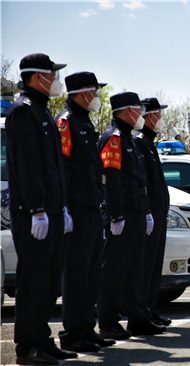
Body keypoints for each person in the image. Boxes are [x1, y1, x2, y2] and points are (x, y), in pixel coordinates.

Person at [6, 53, 76, 365]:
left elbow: (54, 167)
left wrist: (62, 207)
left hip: (52, 210)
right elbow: (26, 166)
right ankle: (26, 346)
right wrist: (36, 208)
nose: (56, 79)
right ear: (38, 77)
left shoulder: (44, 112)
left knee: (48, 282)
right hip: (34, 213)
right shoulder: (23, 111)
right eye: (52, 74)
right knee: (33, 281)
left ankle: (42, 338)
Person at [55, 72, 116, 353]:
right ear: (82, 92)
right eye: (95, 91)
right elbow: (62, 167)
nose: (97, 97)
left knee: (91, 272)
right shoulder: (66, 122)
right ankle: (72, 333)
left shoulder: (84, 121)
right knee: (77, 273)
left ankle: (87, 329)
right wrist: (64, 206)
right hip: (76, 208)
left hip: (91, 206)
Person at [97, 92, 166, 340]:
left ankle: (138, 320)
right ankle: (108, 322)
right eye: (138, 109)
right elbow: (111, 180)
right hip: (122, 214)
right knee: (115, 271)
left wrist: (146, 211)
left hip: (136, 212)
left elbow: (140, 181)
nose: (142, 114)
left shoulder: (127, 138)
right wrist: (115, 215)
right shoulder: (114, 138)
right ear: (128, 110)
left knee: (135, 270)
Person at [132, 97, 171, 326]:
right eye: (158, 114)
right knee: (145, 266)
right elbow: (142, 181)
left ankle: (150, 308)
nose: (161, 119)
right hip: (149, 215)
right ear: (147, 115)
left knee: (154, 265)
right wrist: (147, 211)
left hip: (158, 214)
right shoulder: (139, 141)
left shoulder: (149, 142)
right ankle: (142, 310)